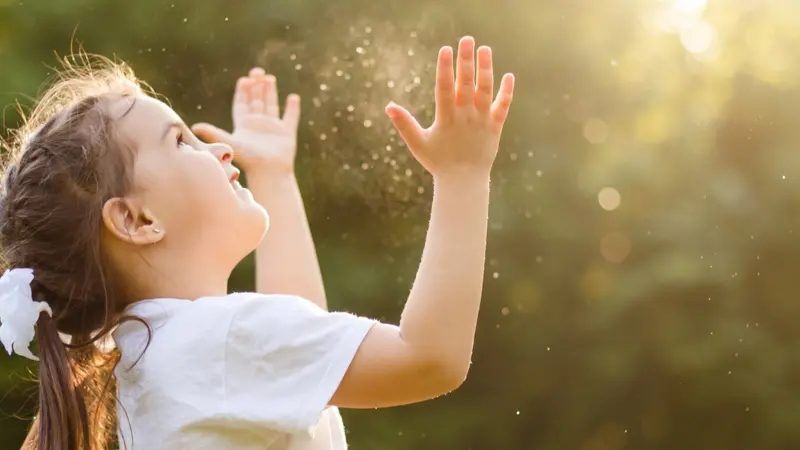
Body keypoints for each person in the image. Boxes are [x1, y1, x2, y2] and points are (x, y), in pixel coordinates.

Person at [0, 35, 514, 450]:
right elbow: (429, 359)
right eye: (181, 141)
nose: (221, 148)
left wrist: (273, 176)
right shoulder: (218, 342)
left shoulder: (145, 359)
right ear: (136, 219)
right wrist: (463, 175)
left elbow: (297, 332)